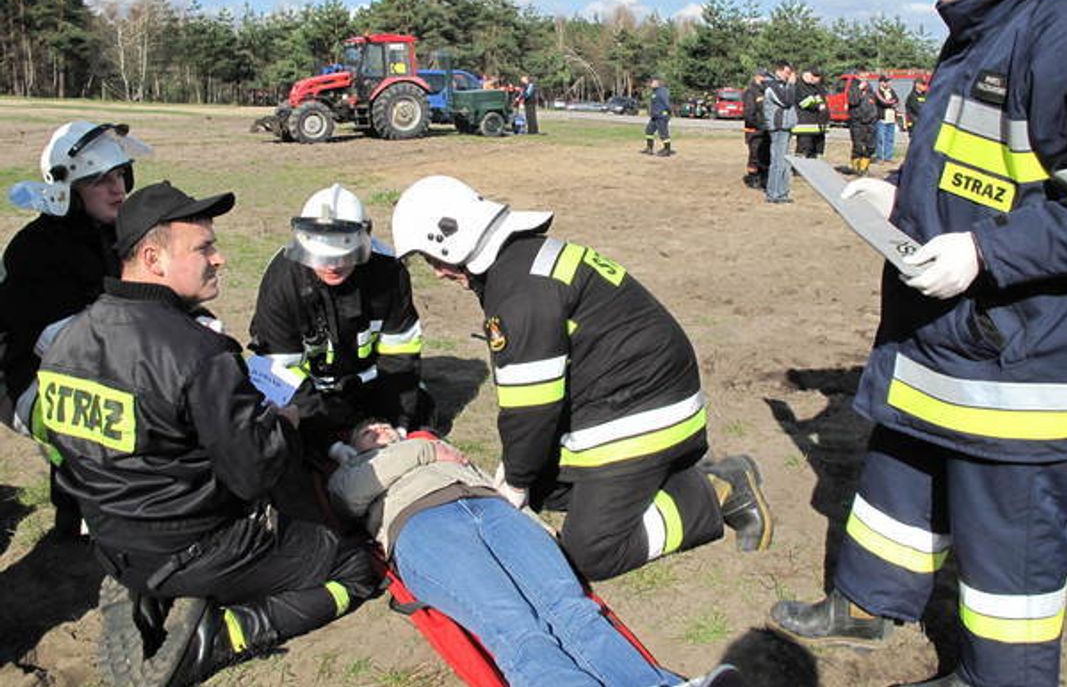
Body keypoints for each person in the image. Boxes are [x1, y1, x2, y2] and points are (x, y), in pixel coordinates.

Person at [767, 0, 1067, 685]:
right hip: (946, 338)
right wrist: (902, 192)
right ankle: (870, 602)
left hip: (1024, 356)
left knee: (1009, 538)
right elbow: (984, 168)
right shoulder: (983, 30)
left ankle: (999, 677)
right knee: (899, 470)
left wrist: (985, 251)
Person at [36, 181, 378, 685]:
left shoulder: (67, 340)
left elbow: (62, 451)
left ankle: (148, 590)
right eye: (204, 248)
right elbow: (257, 473)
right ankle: (218, 637)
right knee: (357, 569)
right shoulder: (198, 354)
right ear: (152, 258)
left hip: (111, 540)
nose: (219, 259)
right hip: (197, 544)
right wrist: (283, 423)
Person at [390, 176, 773, 582]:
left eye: (433, 259)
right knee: (544, 489)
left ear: (454, 241)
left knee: (589, 552)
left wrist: (515, 480)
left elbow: (532, 408)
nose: (437, 274)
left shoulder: (519, 294)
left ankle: (713, 491)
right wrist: (524, 476)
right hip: (642, 396)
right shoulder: (525, 260)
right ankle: (657, 478)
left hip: (644, 414)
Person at [328, 420, 747, 687]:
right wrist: (422, 449)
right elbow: (348, 498)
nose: (380, 431)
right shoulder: (356, 470)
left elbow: (503, 491)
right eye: (368, 432)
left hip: (491, 509)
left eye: (385, 426)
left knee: (572, 608)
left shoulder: (447, 454)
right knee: (516, 628)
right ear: (353, 447)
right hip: (423, 525)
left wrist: (537, 530)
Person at [0, 121, 150, 538]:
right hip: (26, 381)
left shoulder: (113, 236)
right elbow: (69, 349)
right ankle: (86, 511)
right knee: (125, 414)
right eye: (101, 181)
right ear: (69, 189)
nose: (118, 189)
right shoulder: (38, 250)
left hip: (81, 366)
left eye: (121, 175)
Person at [249, 184, 429, 458]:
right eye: (321, 257)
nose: (332, 266)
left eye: (343, 256)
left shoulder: (388, 273)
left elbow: (400, 356)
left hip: (370, 388)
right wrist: (325, 442)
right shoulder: (283, 281)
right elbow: (280, 374)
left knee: (423, 407)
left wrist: (398, 423)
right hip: (309, 397)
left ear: (364, 239)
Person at [763, 60, 797, 203]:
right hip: (778, 127)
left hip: (785, 126)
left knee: (784, 162)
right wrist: (791, 84)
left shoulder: (781, 86)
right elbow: (786, 101)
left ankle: (782, 192)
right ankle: (774, 194)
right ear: (779, 71)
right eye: (787, 73)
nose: (788, 76)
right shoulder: (772, 86)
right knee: (778, 161)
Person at [741, 68, 771, 189]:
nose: (765, 80)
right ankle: (753, 178)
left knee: (765, 155)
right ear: (757, 77)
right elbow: (749, 113)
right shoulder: (750, 92)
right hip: (754, 130)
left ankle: (764, 179)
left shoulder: (765, 91)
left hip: (765, 130)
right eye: (763, 77)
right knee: (755, 156)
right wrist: (759, 125)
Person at [792, 68, 830, 159]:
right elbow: (803, 103)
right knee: (804, 148)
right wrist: (818, 106)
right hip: (805, 124)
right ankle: (798, 169)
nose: (814, 79)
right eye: (813, 76)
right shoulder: (799, 87)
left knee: (817, 149)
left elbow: (823, 101)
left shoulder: (818, 87)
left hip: (818, 124)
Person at [847, 78, 878, 175]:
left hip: (870, 122)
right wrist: (859, 89)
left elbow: (874, 104)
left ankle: (864, 167)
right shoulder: (853, 90)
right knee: (858, 146)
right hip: (857, 122)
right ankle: (856, 168)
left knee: (870, 147)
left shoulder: (871, 93)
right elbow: (852, 101)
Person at [642, 74, 675, 157]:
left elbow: (666, 103)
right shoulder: (655, 92)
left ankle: (667, 150)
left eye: (652, 82)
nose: (650, 84)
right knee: (648, 131)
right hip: (654, 116)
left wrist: (668, 112)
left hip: (661, 116)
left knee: (663, 134)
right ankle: (649, 148)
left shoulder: (662, 91)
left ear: (657, 83)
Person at [872, 76, 901, 163]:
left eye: (889, 82)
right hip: (882, 118)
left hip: (891, 118)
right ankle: (880, 157)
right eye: (886, 82)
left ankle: (889, 156)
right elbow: (883, 102)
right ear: (881, 83)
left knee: (890, 138)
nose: (889, 84)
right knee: (880, 139)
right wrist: (891, 103)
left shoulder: (891, 91)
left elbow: (898, 101)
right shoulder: (878, 92)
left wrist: (893, 103)